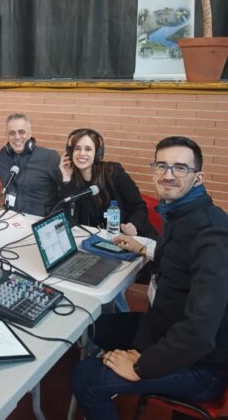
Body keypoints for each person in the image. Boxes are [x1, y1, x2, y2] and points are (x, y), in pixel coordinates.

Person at [71, 136, 228, 420]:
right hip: (161, 328)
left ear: (198, 177)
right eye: (161, 166)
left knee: (87, 378)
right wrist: (146, 249)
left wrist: (141, 366)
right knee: (88, 327)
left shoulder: (212, 234)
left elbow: (200, 333)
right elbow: (183, 262)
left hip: (200, 366)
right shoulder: (181, 213)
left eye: (180, 168)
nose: (168, 175)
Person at [58, 128, 157, 239]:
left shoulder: (113, 173)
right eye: (77, 148)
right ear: (70, 152)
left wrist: (134, 225)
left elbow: (139, 206)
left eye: (88, 149)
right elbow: (69, 219)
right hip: (97, 240)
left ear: (97, 153)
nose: (82, 153)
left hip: (133, 238)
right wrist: (66, 179)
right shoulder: (72, 179)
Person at [0, 113, 60, 216]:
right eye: (12, 133)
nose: (17, 137)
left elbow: (66, 190)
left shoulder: (49, 157)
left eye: (21, 132)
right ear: (7, 136)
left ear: (30, 134)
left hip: (39, 220)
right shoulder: (3, 156)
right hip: (9, 218)